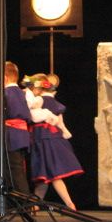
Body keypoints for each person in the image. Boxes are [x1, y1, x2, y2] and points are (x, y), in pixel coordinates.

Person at [24, 73, 83, 211]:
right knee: (45, 176)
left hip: (42, 139)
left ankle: (69, 204)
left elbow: (31, 112)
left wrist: (27, 94)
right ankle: (35, 205)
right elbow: (61, 124)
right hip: (54, 138)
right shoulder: (56, 104)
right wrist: (65, 134)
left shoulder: (39, 100)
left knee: (51, 174)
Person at [0, 61, 32, 195]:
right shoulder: (25, 93)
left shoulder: (1, 94)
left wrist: (0, 129)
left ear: (4, 78)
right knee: (17, 167)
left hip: (10, 134)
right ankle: (14, 200)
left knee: (11, 168)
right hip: (23, 134)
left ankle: (24, 200)